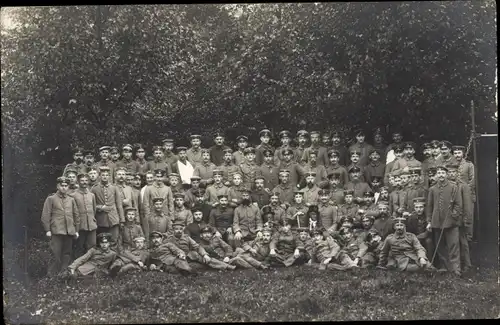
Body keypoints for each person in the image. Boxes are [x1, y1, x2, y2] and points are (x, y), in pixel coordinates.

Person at [426, 165, 462, 275]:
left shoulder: (453, 187)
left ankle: (456, 269)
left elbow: (458, 204)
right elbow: (429, 206)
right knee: (440, 246)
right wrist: (429, 221)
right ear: (436, 175)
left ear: (446, 174)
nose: (441, 175)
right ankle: (445, 267)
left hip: (451, 222)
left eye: (443, 173)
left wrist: (453, 215)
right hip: (437, 222)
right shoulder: (432, 189)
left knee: (453, 245)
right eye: (439, 173)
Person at [41, 176, 79, 276]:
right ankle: (52, 275)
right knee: (55, 254)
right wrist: (47, 230)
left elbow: (76, 216)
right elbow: (45, 215)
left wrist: (76, 230)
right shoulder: (51, 199)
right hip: (56, 231)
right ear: (58, 186)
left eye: (66, 186)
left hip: (69, 231)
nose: (64, 188)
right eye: (62, 185)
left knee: (67, 253)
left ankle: (63, 273)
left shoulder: (71, 200)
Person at [166, 222, 235, 271]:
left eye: (181, 229)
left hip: (189, 257)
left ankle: (227, 266)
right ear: (173, 230)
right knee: (175, 269)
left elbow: (197, 246)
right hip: (176, 259)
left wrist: (204, 255)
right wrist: (176, 256)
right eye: (177, 229)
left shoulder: (187, 238)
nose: (179, 231)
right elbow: (165, 252)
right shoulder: (168, 240)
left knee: (206, 259)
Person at [446, 163, 474, 273]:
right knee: (453, 242)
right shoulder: (447, 185)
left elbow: (467, 204)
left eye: (453, 172)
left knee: (463, 242)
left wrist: (467, 219)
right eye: (450, 172)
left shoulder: (463, 186)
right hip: (450, 218)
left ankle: (467, 264)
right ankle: (454, 265)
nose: (451, 174)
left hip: (460, 218)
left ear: (457, 173)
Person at [91, 166, 124, 245]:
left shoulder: (114, 188)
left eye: (106, 175)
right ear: (99, 176)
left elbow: (119, 205)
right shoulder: (94, 189)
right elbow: (91, 205)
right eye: (103, 175)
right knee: (102, 240)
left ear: (109, 176)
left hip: (113, 218)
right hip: (101, 219)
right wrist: (100, 207)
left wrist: (122, 220)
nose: (105, 177)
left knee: (114, 240)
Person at [71, 173, 97, 258]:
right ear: (78, 182)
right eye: (82, 180)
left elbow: (94, 210)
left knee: (92, 246)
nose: (84, 182)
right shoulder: (73, 195)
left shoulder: (91, 195)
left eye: (86, 180)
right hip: (80, 226)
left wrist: (92, 220)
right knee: (80, 246)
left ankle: (90, 267)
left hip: (91, 225)